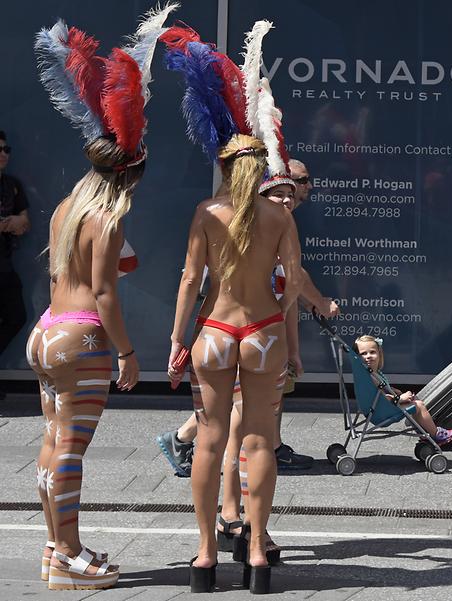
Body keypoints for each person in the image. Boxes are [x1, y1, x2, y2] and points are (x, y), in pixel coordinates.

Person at [29, 7, 176, 588]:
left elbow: (62, 275)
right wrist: (127, 354)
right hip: (83, 336)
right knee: (70, 450)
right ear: (133, 171)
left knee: (51, 443)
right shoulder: (110, 216)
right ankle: (67, 557)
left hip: (48, 329)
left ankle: (55, 548)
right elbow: (106, 292)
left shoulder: (68, 206)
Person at [164, 22, 298, 593]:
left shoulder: (206, 213)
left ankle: (203, 556)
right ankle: (259, 554)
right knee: (260, 441)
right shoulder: (279, 213)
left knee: (213, 439)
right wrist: (287, 333)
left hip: (215, 329)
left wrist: (176, 340)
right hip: (263, 328)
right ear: (260, 169)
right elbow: (291, 282)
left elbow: (190, 279)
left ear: (224, 168)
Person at [156, 161, 338, 477]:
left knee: (228, 417)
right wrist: (309, 306)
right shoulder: (271, 222)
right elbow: (295, 280)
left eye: (293, 190)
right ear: (262, 187)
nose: (290, 197)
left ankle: (230, 496)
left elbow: (290, 288)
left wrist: (291, 342)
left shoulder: (226, 215)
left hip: (227, 329)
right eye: (285, 188)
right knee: (242, 423)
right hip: (252, 328)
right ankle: (236, 504)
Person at [353, 335, 452, 444]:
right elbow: (381, 398)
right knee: (418, 405)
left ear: (379, 354)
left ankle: (423, 430)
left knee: (413, 400)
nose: (368, 356)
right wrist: (399, 398)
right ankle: (436, 434)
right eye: (363, 354)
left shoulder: (371, 374)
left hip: (378, 409)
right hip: (382, 412)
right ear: (358, 357)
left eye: (372, 352)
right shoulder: (370, 376)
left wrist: (393, 390)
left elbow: (379, 392)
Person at [0, 130, 29, 386]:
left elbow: (23, 222)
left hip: (4, 264)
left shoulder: (11, 184)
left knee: (16, 315)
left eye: (6, 149)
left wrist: (15, 222)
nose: (3, 154)